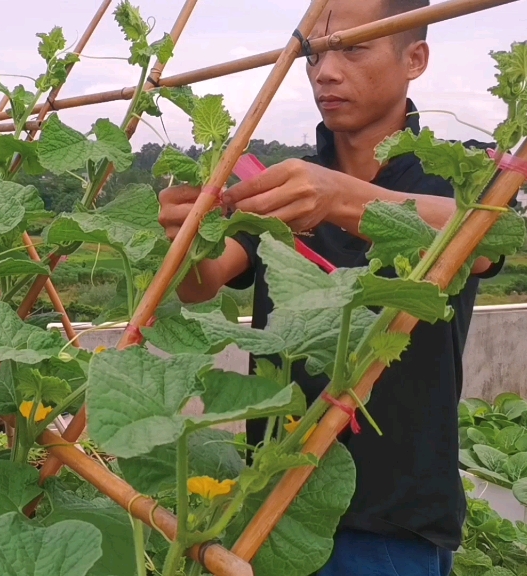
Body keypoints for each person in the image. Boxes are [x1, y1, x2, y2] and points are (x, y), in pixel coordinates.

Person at [158, 1, 507, 574]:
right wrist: (187, 237)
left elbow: (484, 240)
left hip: (391, 520)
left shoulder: (459, 172)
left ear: (414, 58)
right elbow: (202, 285)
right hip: (273, 500)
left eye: (352, 47)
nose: (324, 71)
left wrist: (338, 199)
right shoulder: (291, 178)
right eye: (314, 54)